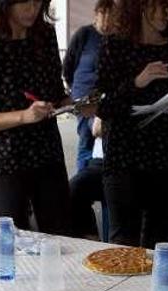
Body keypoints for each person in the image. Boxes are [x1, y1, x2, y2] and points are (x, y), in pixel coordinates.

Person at [95, 0, 168, 248]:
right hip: (124, 157)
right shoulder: (114, 46)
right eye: (161, 7)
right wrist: (137, 82)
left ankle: (156, 288)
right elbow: (103, 106)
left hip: (167, 156)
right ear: (140, 7)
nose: (167, 13)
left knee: (159, 242)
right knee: (123, 244)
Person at [0, 0, 73, 233]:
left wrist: (74, 104)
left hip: (47, 152)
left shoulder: (44, 34)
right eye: (25, 3)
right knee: (12, 240)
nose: (32, 10)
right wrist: (24, 116)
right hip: (5, 158)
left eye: (38, 3)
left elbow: (56, 92)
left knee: (61, 237)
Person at [63, 0, 114, 171]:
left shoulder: (116, 39)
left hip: (107, 98)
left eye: (111, 15)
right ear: (96, 14)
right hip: (84, 98)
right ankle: (82, 189)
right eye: (103, 14)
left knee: (106, 145)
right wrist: (75, 91)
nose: (107, 19)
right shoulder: (84, 34)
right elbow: (68, 66)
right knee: (86, 143)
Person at [69, 117, 106, 240]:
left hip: (118, 161)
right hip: (98, 162)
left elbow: (97, 129)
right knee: (73, 189)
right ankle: (90, 237)